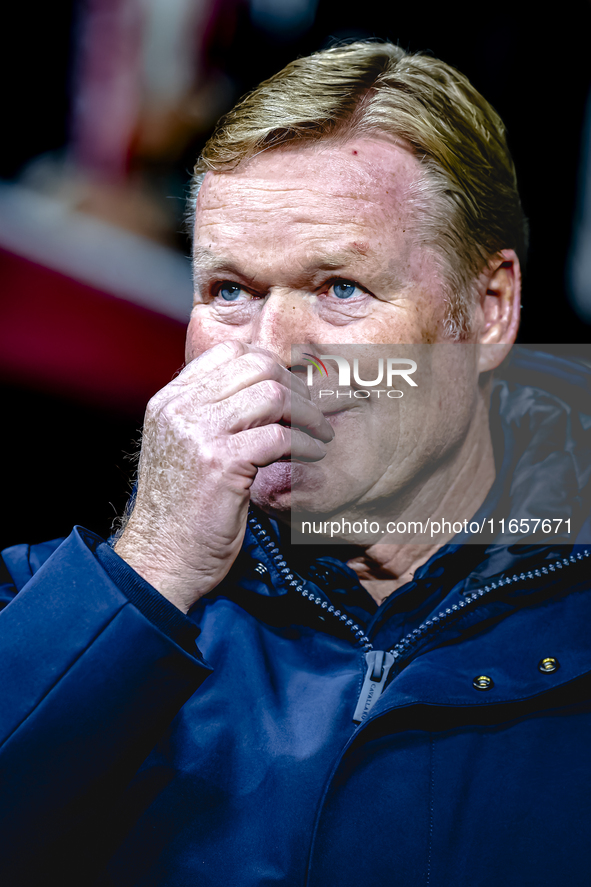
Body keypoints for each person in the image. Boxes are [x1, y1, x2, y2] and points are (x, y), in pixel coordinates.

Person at [1, 41, 590, 887]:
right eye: (229, 290)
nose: (272, 351)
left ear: (487, 311)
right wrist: (149, 575)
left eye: (340, 287)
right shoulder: (53, 602)